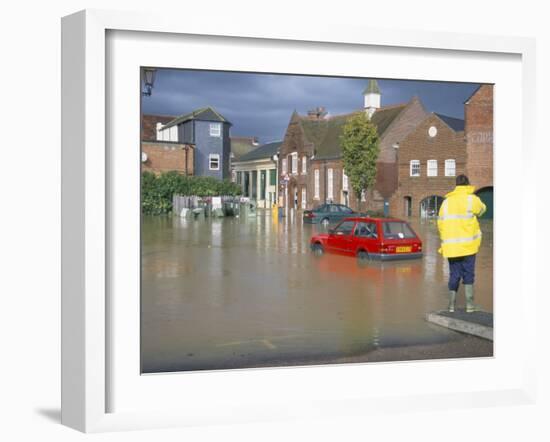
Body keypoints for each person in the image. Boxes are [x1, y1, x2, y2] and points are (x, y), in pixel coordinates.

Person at [437, 175, 486, 313]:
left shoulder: (446, 203)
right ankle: (470, 305)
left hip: (452, 248)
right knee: (468, 274)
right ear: (468, 184)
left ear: (456, 185)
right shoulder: (472, 199)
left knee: (454, 274)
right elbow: (483, 210)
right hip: (469, 247)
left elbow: (440, 224)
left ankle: (451, 306)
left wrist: (445, 239)